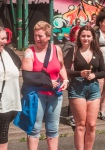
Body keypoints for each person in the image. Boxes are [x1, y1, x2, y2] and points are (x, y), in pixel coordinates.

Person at [21, 21, 68, 150]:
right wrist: (47, 82)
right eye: (35, 35)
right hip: (37, 95)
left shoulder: (56, 49)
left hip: (55, 95)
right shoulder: (30, 52)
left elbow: (61, 67)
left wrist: (66, 80)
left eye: (40, 36)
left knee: (53, 129)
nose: (37, 38)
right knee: (34, 129)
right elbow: (27, 77)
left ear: (48, 36)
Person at [64, 25, 105, 150]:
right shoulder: (73, 51)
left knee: (92, 125)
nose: (86, 38)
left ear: (93, 37)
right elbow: (65, 70)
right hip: (77, 88)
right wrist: (79, 73)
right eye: (83, 36)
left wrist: (94, 75)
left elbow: (103, 72)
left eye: (88, 36)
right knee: (81, 124)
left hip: (93, 88)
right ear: (79, 37)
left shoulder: (98, 52)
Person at [62, 26, 80, 127]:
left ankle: (76, 115)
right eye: (78, 32)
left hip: (80, 73)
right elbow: (63, 58)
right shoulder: (69, 44)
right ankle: (70, 116)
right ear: (73, 34)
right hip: (71, 73)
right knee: (73, 95)